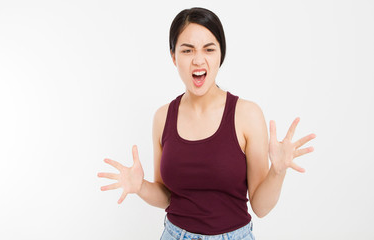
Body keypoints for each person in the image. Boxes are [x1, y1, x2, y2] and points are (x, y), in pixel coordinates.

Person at [97, 7, 316, 240]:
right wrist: (140, 186)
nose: (198, 60)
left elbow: (261, 208)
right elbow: (167, 196)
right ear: (173, 56)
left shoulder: (247, 115)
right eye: (187, 50)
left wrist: (277, 171)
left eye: (209, 49)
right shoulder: (163, 117)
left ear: (220, 54)